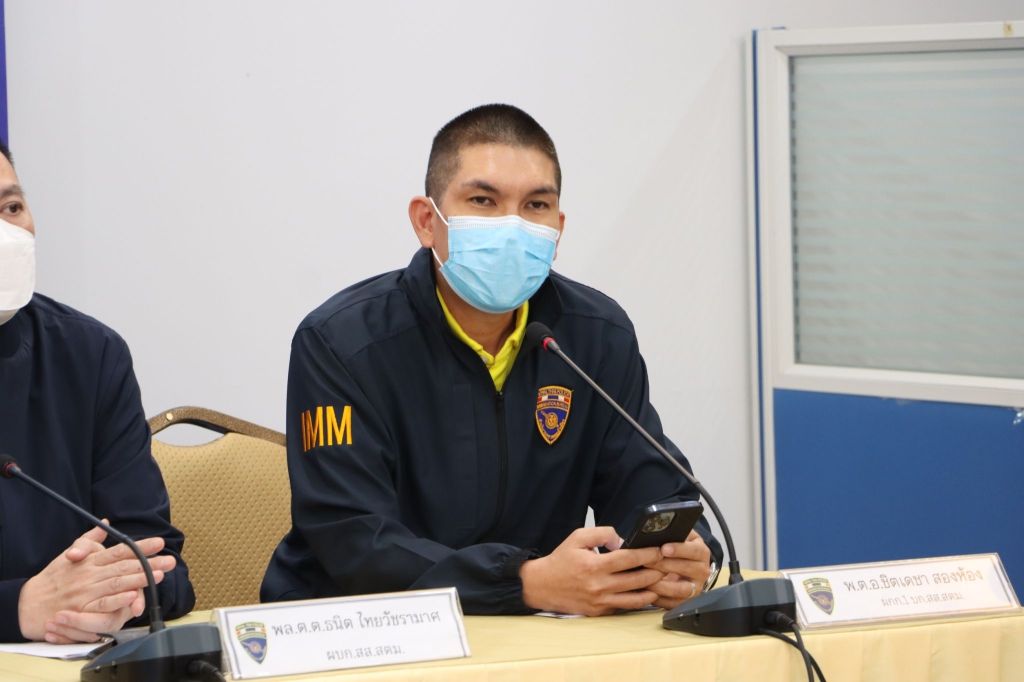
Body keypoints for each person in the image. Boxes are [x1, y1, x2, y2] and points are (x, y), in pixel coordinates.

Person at [261, 104, 722, 616]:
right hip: (360, 628)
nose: (512, 225)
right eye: (483, 200)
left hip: (534, 629)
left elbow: (652, 488)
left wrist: (684, 555)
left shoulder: (595, 336)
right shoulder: (342, 343)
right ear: (426, 221)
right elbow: (353, 540)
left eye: (535, 205)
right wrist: (521, 582)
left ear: (557, 228)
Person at [0, 140, 195, 642]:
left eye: (11, 208)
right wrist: (20, 607)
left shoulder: (90, 353)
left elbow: (159, 563)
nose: (6, 235)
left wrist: (114, 598)